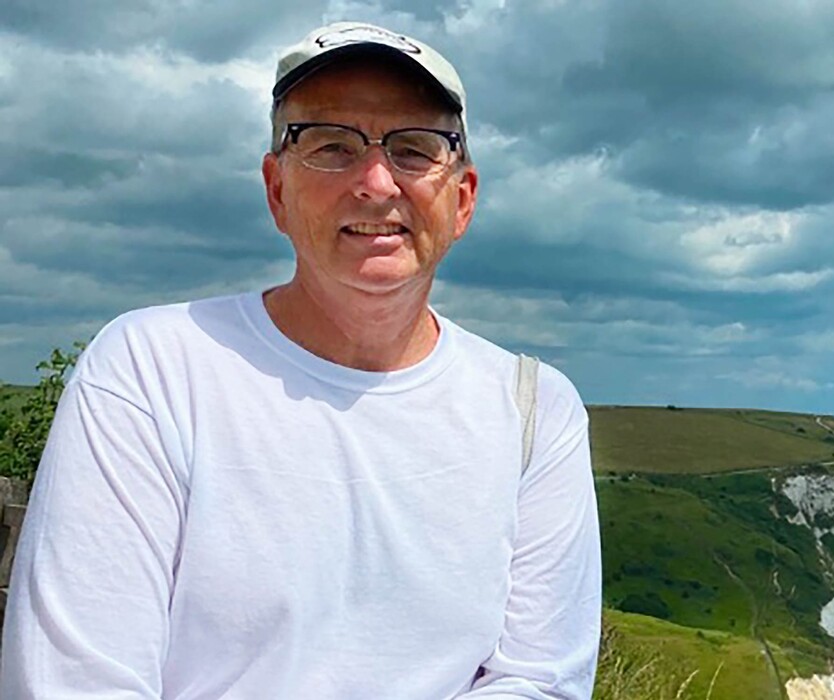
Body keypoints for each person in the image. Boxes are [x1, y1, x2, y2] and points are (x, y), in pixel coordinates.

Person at [0, 22, 601, 699]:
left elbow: (539, 683)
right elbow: (76, 683)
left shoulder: (534, 411)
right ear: (276, 190)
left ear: (460, 200)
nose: (376, 182)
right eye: (331, 146)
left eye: (414, 148)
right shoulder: (152, 370)